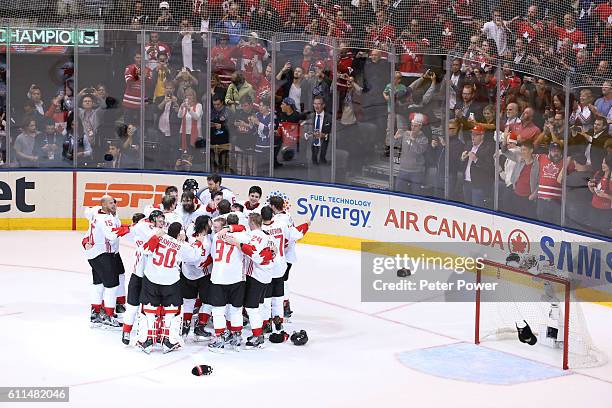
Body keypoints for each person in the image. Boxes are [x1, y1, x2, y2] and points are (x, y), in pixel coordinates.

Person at [137, 222, 206, 354]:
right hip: (171, 281)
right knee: (172, 311)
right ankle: (170, 340)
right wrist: (198, 242)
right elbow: (195, 256)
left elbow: (145, 249)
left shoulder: (159, 237)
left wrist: (156, 236)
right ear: (180, 233)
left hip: (151, 278)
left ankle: (146, 339)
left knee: (149, 309)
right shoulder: (182, 246)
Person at [260, 206, 309, 334]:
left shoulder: (260, 230)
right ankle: (279, 323)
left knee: (266, 299)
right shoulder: (281, 225)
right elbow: (296, 235)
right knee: (278, 296)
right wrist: (306, 224)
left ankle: (266, 324)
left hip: (267, 268)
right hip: (280, 266)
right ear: (273, 216)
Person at [117, 211, 162, 345]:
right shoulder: (142, 232)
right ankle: (128, 330)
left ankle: (146, 334)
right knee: (133, 306)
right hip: (140, 276)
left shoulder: (147, 230)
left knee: (147, 309)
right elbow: (148, 248)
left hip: (149, 277)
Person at [82, 195, 125, 329]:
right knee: (112, 286)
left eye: (114, 202)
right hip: (103, 254)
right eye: (111, 203)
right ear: (104, 205)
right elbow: (112, 237)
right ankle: (108, 315)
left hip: (93, 254)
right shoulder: (106, 219)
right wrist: (127, 229)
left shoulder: (95, 211)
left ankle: (95, 313)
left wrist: (86, 240)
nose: (114, 205)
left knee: (98, 284)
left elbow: (86, 211)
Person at [180, 215, 213, 340]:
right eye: (209, 223)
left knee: (188, 301)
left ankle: (186, 327)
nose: (211, 225)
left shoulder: (189, 233)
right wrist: (209, 260)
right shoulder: (208, 239)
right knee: (208, 301)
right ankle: (200, 327)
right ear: (205, 225)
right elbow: (197, 261)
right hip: (202, 275)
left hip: (187, 273)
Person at [500, 139, 538, 219]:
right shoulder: (519, 159)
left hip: (528, 199)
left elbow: (541, 181)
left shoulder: (537, 165)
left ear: (531, 150)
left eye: (524, 150)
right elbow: (504, 151)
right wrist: (505, 141)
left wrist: (534, 194)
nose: (522, 152)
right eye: (521, 150)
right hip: (516, 195)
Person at [461, 124, 495, 208]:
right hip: (466, 182)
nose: (473, 137)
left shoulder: (488, 147)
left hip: (478, 185)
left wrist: (476, 159)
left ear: (482, 136)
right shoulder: (468, 144)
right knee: (467, 208)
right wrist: (462, 158)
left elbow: (489, 167)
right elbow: (462, 164)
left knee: (477, 208)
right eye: (472, 134)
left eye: (476, 135)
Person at [393, 115, 429, 194]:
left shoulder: (424, 139)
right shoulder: (406, 134)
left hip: (416, 171)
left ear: (420, 126)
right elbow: (394, 146)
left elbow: (419, 151)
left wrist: (413, 140)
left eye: (415, 126)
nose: (413, 128)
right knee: (398, 191)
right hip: (403, 169)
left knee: (416, 193)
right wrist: (395, 138)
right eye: (412, 125)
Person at [587, 154, 612, 236]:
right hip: (594, 207)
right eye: (602, 162)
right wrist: (590, 187)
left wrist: (605, 195)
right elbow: (595, 192)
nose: (602, 165)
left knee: (603, 232)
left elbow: (604, 195)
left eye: (605, 163)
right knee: (593, 231)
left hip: (605, 211)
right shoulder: (598, 173)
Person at [306, 95, 332, 165]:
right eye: (315, 104)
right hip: (313, 148)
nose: (316, 106)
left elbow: (336, 134)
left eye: (318, 104)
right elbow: (305, 131)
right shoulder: (310, 116)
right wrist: (308, 134)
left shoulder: (330, 118)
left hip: (325, 149)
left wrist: (325, 135)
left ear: (323, 105)